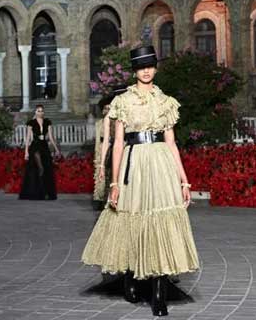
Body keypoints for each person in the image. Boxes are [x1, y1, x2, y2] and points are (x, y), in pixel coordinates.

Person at [81, 45, 199, 316]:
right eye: (141, 66)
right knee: (133, 218)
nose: (146, 70)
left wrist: (184, 180)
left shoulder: (166, 101)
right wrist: (114, 182)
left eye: (150, 65)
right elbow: (118, 143)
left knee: (159, 222)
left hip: (160, 165)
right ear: (135, 70)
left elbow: (171, 143)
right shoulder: (123, 101)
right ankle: (130, 277)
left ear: (155, 68)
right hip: (133, 165)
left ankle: (159, 293)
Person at [92, 85, 128, 211]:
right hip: (116, 150)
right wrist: (101, 164)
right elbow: (106, 141)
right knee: (115, 179)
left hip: (132, 151)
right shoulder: (109, 118)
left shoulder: (132, 113)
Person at [19, 103, 61, 200]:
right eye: (38, 111)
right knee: (38, 166)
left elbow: (50, 137)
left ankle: (44, 192)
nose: (40, 113)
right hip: (35, 146)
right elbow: (28, 138)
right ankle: (35, 190)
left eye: (42, 111)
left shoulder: (47, 122)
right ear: (35, 112)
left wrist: (56, 149)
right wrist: (26, 152)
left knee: (47, 168)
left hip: (44, 146)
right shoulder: (31, 123)